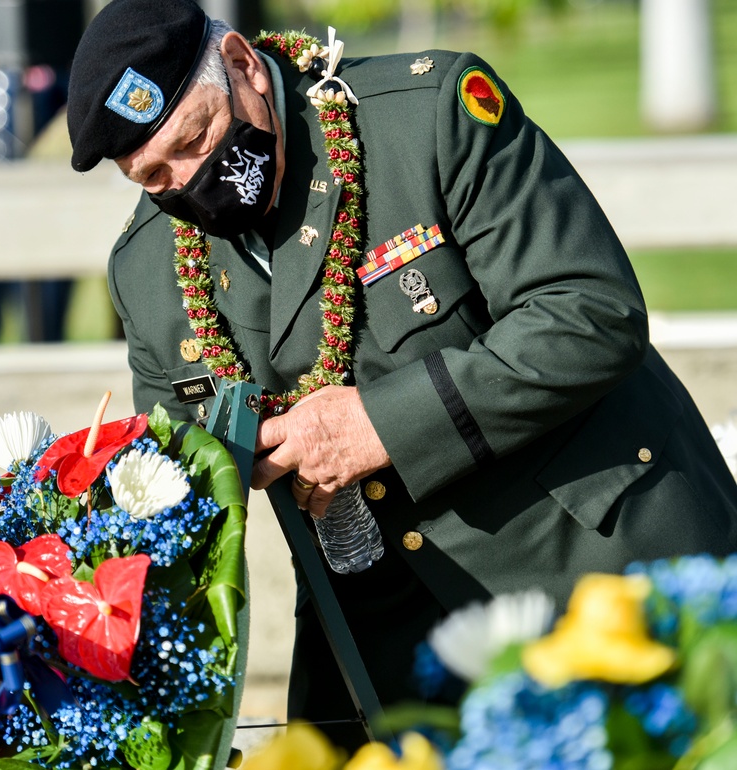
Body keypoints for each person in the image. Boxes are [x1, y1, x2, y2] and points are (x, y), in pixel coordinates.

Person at [64, 0, 737, 749]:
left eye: (195, 140)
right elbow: (171, 496)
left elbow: (589, 313)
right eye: (152, 176)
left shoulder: (427, 117)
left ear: (247, 68)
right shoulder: (148, 269)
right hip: (385, 636)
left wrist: (379, 424)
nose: (187, 182)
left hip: (590, 566)